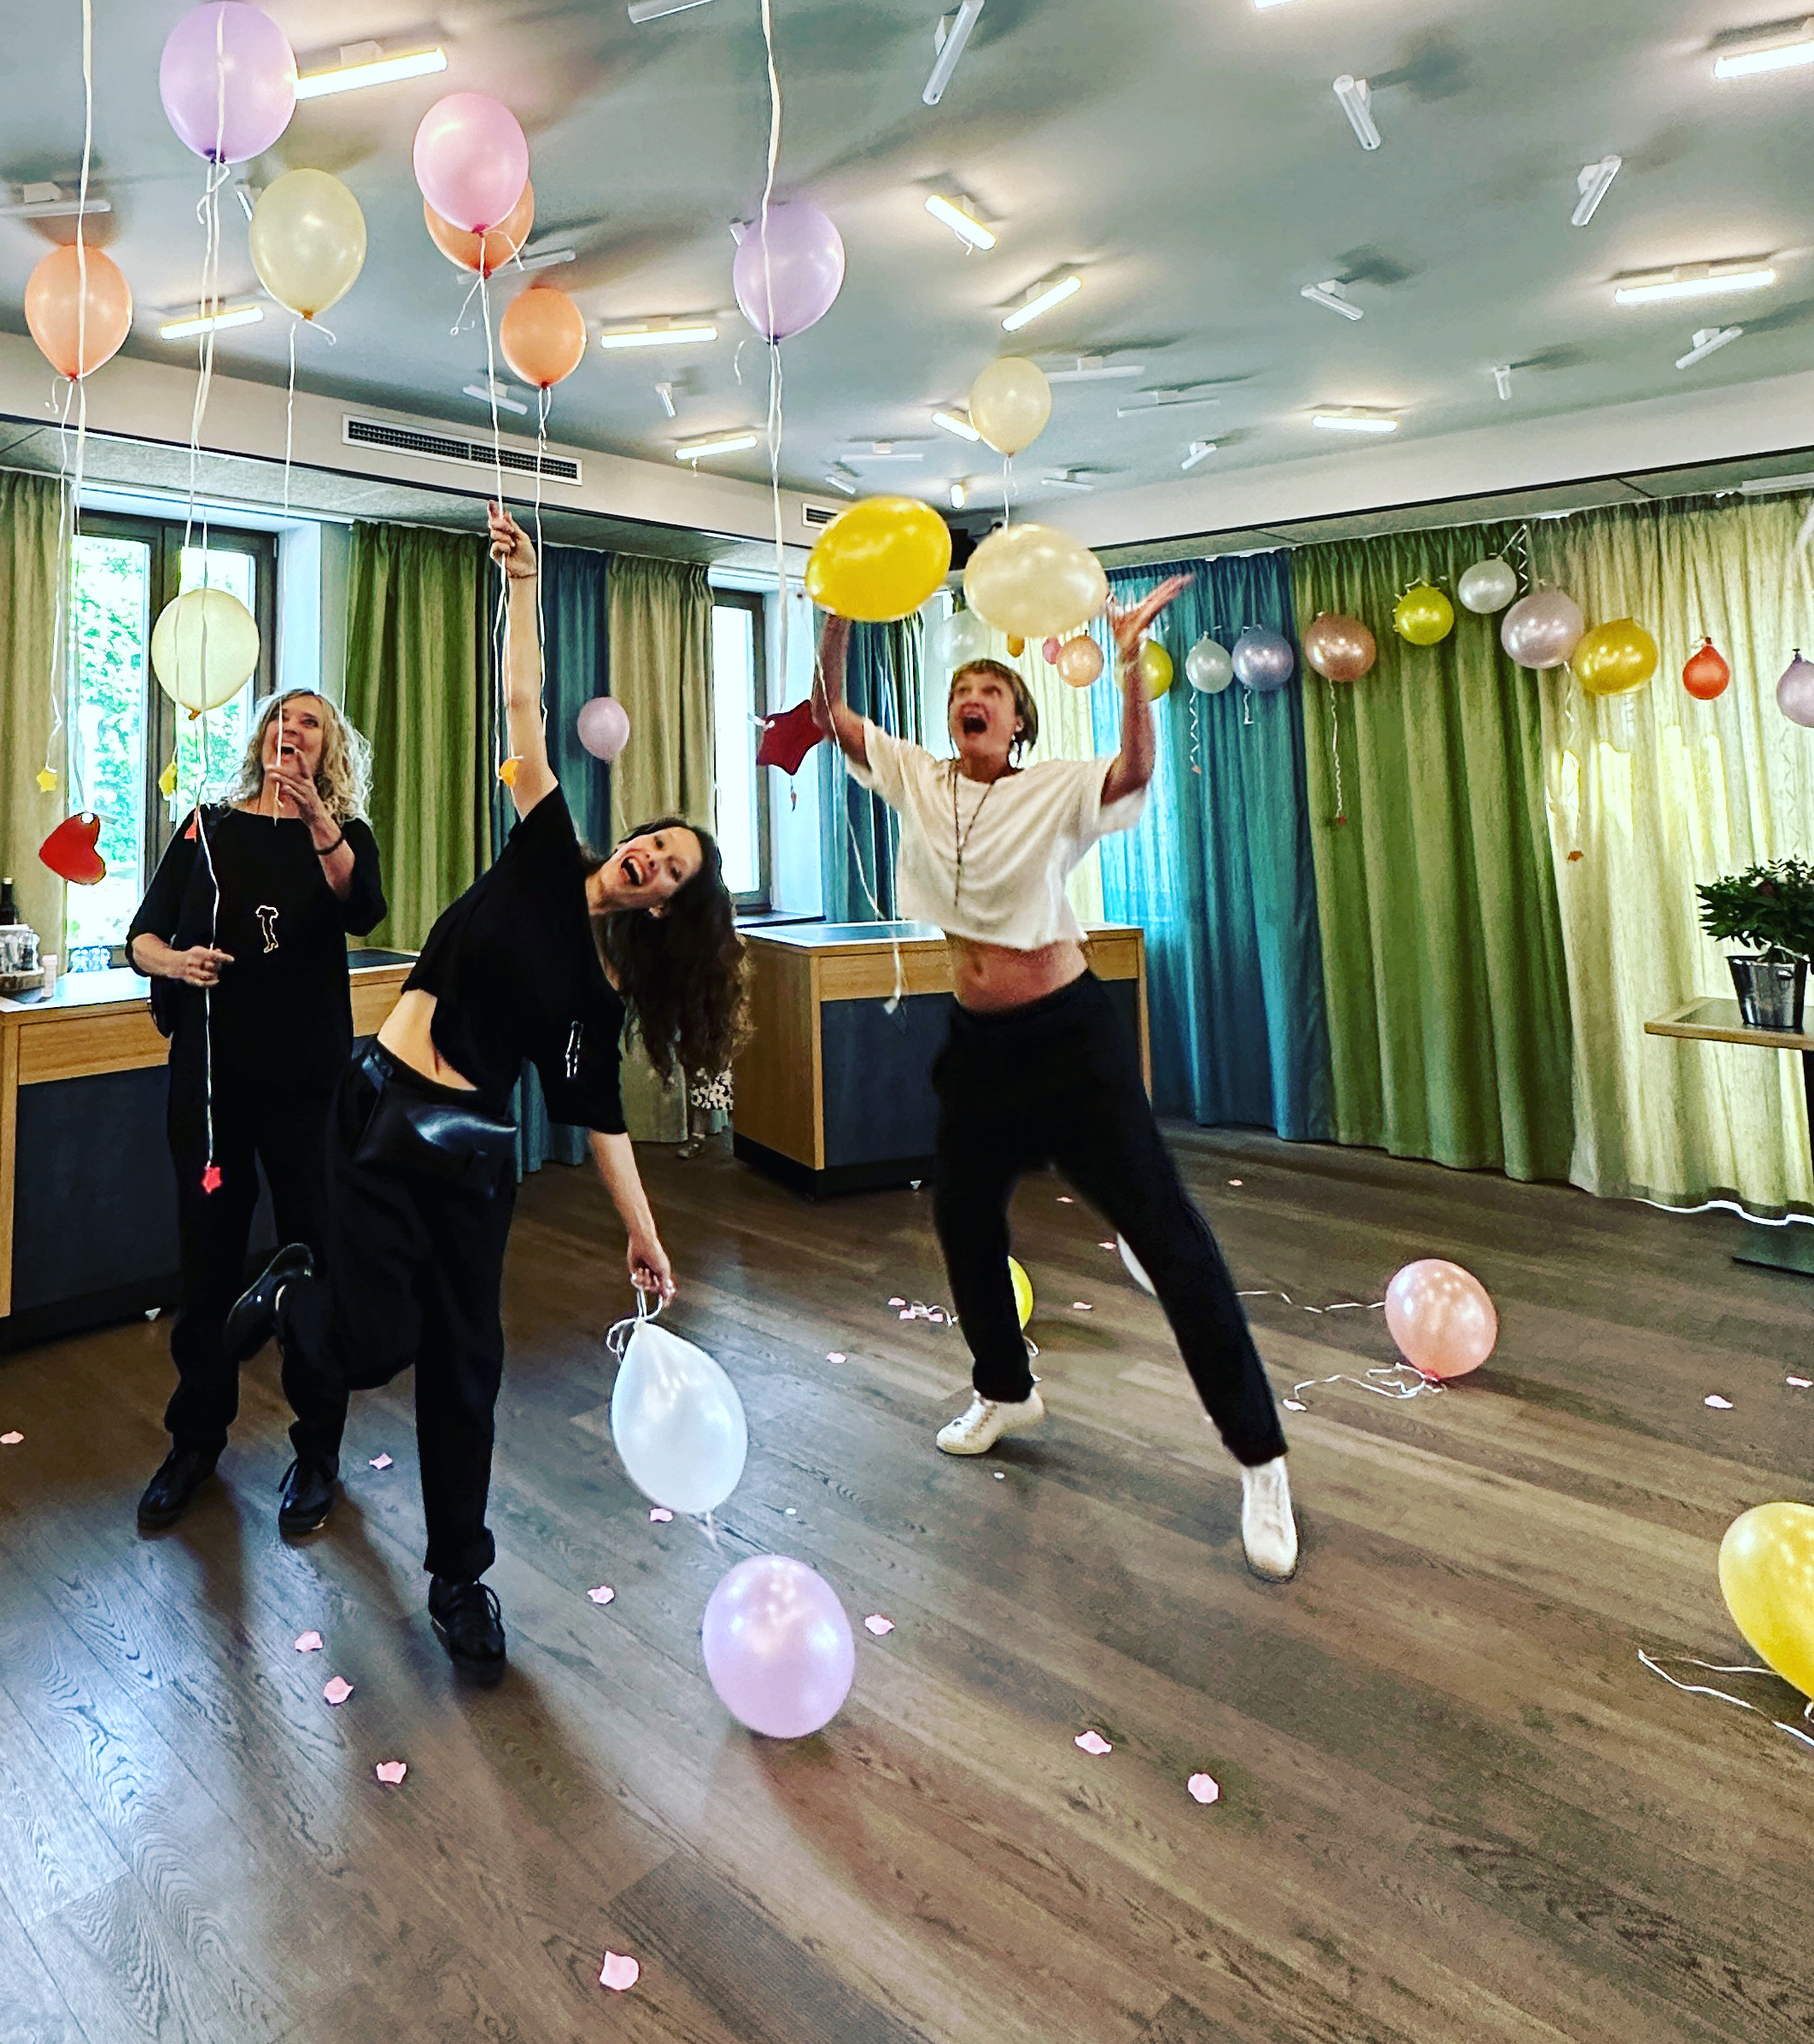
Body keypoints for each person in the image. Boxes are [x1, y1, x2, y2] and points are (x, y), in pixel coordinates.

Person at [226, 500, 746, 1684]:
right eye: (655, 840)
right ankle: (297, 1294)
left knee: (468, 1366)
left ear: (666, 904)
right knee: (367, 1344)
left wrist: (644, 1233)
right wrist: (522, 588)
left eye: (670, 869)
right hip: (378, 1112)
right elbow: (523, 705)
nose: (650, 857)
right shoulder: (543, 844)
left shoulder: (601, 992)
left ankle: (460, 1576)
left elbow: (598, 1114)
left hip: (469, 1162)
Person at [809, 584, 1298, 1580]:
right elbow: (829, 712)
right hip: (978, 1045)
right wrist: (841, 610)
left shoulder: (1054, 789)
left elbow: (1135, 771)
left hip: (1070, 1043)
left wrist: (1132, 667)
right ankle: (1007, 1388)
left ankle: (1262, 1459)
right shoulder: (917, 777)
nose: (974, 697)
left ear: (1019, 722)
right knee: (963, 1218)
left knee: (1167, 1237)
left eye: (994, 690)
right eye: (964, 689)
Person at [126, 688, 385, 1541]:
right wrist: (177, 962)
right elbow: (141, 938)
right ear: (261, 736)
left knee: (313, 1262)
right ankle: (193, 1443)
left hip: (308, 1088)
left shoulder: (344, 836)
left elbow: (362, 909)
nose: (292, 730)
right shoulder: (206, 827)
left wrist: (317, 820)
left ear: (329, 748)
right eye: (281, 717)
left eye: (310, 722)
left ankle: (318, 1453)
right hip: (211, 1086)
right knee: (206, 1263)